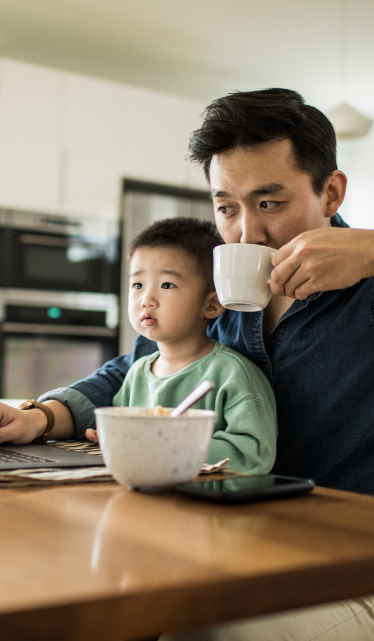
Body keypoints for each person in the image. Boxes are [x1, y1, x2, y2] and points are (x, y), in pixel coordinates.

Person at [1, 87, 374, 639]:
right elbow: (133, 369)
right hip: (217, 536)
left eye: (270, 202)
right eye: (227, 207)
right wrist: (42, 414)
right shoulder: (215, 291)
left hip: (340, 565)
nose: (246, 232)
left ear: (332, 192)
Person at [86, 217, 277, 474]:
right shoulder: (137, 373)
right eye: (137, 285)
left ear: (211, 304)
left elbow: (253, 455)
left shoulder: (232, 374)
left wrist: (166, 446)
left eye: (166, 285)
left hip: (209, 508)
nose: (146, 299)